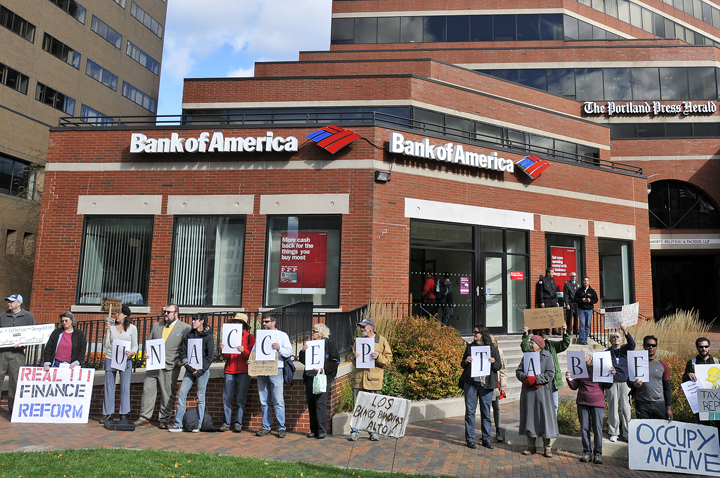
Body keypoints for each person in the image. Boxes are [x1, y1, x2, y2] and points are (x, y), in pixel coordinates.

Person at [134, 304, 191, 428]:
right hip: (153, 365)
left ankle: (164, 420)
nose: (165, 313)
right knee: (147, 391)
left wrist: (179, 362)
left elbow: (186, 348)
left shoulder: (185, 328)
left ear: (176, 313)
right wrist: (147, 354)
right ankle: (144, 417)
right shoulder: (157, 325)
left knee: (167, 394)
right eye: (164, 311)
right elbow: (149, 342)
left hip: (170, 366)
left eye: (168, 312)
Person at [566, 346, 615, 464]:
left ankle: (597, 453)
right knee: (584, 428)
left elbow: (608, 386)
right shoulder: (580, 369)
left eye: (583, 355)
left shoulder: (599, 367)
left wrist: (612, 375)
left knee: (597, 429)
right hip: (582, 401)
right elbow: (574, 386)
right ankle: (586, 452)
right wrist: (568, 378)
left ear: (590, 356)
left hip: (597, 402)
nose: (581, 358)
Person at [349, 318, 393, 441]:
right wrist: (354, 357)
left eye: (364, 327)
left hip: (374, 381)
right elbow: (353, 361)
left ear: (371, 328)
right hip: (359, 380)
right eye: (361, 327)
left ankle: (373, 432)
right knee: (357, 408)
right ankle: (354, 431)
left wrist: (378, 357)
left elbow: (388, 360)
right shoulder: (358, 341)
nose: (362, 329)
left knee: (374, 409)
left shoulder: (381, 340)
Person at [169, 313, 214, 432]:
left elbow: (210, 356)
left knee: (200, 397)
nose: (193, 322)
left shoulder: (208, 336)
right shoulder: (189, 335)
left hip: (202, 372)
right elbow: (183, 352)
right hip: (189, 371)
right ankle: (178, 424)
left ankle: (198, 425)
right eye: (193, 320)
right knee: (182, 394)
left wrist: (201, 370)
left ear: (202, 321)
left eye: (195, 320)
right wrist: (189, 367)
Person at [516, 334, 559, 458]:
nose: (530, 345)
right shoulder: (526, 356)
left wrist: (536, 379)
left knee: (545, 418)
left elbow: (550, 373)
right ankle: (531, 446)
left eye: (533, 343)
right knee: (530, 417)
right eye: (530, 342)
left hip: (543, 393)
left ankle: (547, 448)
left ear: (539, 346)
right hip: (529, 393)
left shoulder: (548, 356)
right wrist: (525, 377)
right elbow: (518, 371)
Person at [460, 327, 502, 449]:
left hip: (486, 384)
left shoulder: (492, 348)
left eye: (476, 332)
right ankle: (470, 439)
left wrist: (493, 362)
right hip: (471, 383)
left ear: (483, 334)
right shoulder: (470, 347)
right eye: (474, 332)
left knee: (486, 412)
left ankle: (486, 439)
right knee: (470, 412)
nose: (474, 334)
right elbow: (462, 364)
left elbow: (499, 365)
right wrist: (466, 361)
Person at [251, 314, 292, 438]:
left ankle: (281, 428)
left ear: (273, 322)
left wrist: (279, 348)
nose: (264, 324)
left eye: (267, 322)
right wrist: (251, 361)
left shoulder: (282, 335)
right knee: (264, 401)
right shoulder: (260, 337)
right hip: (261, 370)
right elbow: (254, 352)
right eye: (263, 322)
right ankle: (266, 427)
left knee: (278, 400)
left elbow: (289, 351)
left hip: (276, 369)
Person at [299, 323, 340, 439]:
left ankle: (322, 430)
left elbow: (335, 361)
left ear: (321, 333)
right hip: (310, 376)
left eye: (314, 331)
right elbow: (303, 361)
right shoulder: (310, 344)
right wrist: (303, 351)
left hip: (322, 377)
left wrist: (323, 369)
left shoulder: (329, 345)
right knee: (311, 403)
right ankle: (314, 430)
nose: (312, 333)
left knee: (320, 403)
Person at [100, 304, 138, 423]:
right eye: (116, 313)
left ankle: (123, 414)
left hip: (125, 360)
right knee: (109, 387)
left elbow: (135, 344)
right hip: (111, 358)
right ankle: (109, 413)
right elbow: (105, 345)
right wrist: (106, 332)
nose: (116, 315)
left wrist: (133, 353)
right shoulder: (111, 327)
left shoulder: (132, 328)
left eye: (119, 313)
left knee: (125, 387)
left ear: (125, 315)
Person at [521, 323, 570, 413]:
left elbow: (564, 344)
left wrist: (565, 331)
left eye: (543, 334)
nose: (543, 337)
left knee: (554, 405)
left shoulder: (551, 345)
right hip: (539, 379)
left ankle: (553, 425)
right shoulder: (532, 349)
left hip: (552, 380)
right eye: (540, 335)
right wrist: (525, 334)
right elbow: (525, 348)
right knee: (541, 406)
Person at [219, 313, 255, 433]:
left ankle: (238, 423)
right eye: (234, 322)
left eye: (238, 322)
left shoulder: (250, 337)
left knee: (240, 399)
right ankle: (226, 423)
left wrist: (243, 351)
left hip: (244, 371)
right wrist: (222, 349)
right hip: (230, 369)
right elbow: (225, 356)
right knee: (227, 398)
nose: (235, 324)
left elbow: (251, 355)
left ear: (243, 324)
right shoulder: (229, 335)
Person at [1, 294, 34, 414]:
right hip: (2, 352)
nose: (8, 304)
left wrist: (24, 344)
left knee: (15, 380)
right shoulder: (3, 316)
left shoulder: (28, 316)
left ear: (18, 303)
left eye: (11, 302)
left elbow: (32, 334)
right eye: (8, 301)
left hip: (18, 354)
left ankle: (12, 407)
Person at [628, 335, 672, 421]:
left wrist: (668, 408)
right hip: (642, 403)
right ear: (643, 346)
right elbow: (628, 381)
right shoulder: (635, 363)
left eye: (653, 345)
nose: (651, 347)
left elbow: (667, 388)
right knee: (644, 430)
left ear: (656, 347)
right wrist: (634, 385)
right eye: (648, 345)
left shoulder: (662, 365)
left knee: (660, 430)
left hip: (659, 403)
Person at [606, 325, 635, 442]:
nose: (616, 339)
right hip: (612, 382)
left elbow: (632, 344)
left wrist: (625, 331)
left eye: (618, 337)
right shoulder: (607, 352)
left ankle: (627, 433)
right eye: (613, 337)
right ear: (610, 340)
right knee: (613, 407)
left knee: (626, 408)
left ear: (621, 339)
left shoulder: (625, 349)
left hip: (625, 382)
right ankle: (614, 432)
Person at [682, 337, 719, 426]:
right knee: (703, 425)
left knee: (717, 425)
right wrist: (688, 375)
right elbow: (684, 379)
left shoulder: (716, 361)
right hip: (700, 400)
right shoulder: (692, 362)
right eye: (701, 347)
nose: (704, 349)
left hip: (715, 399)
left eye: (706, 346)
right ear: (697, 348)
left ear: (709, 347)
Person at [490, 335, 506, 443]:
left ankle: (498, 430)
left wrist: (503, 385)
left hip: (495, 383)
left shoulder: (499, 351)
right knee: (485, 408)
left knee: (496, 407)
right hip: (484, 383)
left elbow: (503, 370)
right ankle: (485, 431)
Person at [575, 276, 598, 345]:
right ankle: (581, 340)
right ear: (583, 281)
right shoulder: (579, 290)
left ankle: (585, 339)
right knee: (582, 324)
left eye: (587, 281)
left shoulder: (592, 291)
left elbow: (596, 299)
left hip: (589, 310)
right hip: (581, 309)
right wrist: (581, 300)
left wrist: (590, 300)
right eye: (584, 280)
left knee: (587, 325)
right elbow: (575, 299)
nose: (586, 282)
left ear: (589, 282)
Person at [539, 268, 560, 335]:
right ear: (548, 273)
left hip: (553, 300)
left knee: (554, 315)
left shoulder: (552, 280)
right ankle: (547, 330)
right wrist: (542, 301)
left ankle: (554, 329)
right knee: (547, 315)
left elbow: (554, 291)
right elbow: (541, 292)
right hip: (546, 300)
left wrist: (557, 301)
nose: (553, 274)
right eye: (552, 272)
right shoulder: (542, 281)